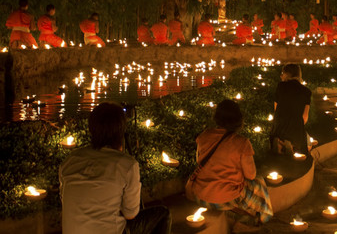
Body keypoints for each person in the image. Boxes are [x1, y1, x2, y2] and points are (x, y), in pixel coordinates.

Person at [59, 102, 171, 234]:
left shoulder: (70, 161)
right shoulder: (126, 165)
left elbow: (64, 199)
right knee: (163, 214)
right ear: (121, 130)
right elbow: (131, 214)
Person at [192, 99, 273, 228]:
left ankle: (238, 215)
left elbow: (198, 161)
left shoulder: (204, 135)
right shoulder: (242, 142)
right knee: (258, 183)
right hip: (223, 200)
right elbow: (251, 175)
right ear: (238, 119)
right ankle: (262, 219)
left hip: (201, 196)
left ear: (217, 117)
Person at [270, 64, 311, 154]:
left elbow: (276, 110)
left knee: (278, 132)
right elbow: (305, 116)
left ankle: (281, 142)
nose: (281, 76)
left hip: (279, 126)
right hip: (295, 127)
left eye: (282, 73)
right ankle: (292, 144)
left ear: (288, 74)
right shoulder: (306, 91)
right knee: (305, 143)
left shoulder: (281, 86)